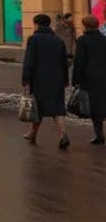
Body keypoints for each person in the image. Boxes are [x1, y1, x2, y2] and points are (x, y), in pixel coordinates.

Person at [23, 13, 70, 149]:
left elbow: (29, 62)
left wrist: (26, 79)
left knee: (37, 108)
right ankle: (62, 134)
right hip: (56, 80)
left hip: (39, 80)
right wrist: (65, 80)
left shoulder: (33, 39)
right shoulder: (58, 41)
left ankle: (32, 135)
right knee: (57, 108)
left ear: (36, 24)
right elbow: (64, 63)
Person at [73, 15, 106, 145]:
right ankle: (99, 136)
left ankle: (99, 135)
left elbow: (79, 61)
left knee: (94, 107)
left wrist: (76, 79)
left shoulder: (82, 40)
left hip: (90, 78)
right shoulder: (104, 39)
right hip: (104, 77)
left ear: (85, 26)